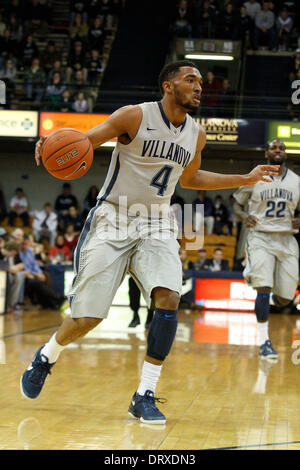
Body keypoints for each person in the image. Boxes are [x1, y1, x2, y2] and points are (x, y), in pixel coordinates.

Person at [21, 60, 279, 424]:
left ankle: (144, 393)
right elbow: (85, 140)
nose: (199, 86)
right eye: (191, 79)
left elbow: (191, 179)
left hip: (157, 220)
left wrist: (246, 178)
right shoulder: (134, 116)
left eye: (201, 81)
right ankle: (46, 356)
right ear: (168, 86)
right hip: (113, 217)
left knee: (169, 297)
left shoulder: (196, 134)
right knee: (86, 318)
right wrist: (50, 143)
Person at [233, 139, 300, 360]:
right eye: (274, 148)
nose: (278, 151)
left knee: (285, 299)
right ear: (267, 153)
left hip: (287, 240)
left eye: (281, 148)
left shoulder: (297, 181)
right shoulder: (254, 178)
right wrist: (245, 217)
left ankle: (270, 293)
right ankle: (264, 342)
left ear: (285, 154)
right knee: (263, 287)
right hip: (260, 237)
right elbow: (237, 205)